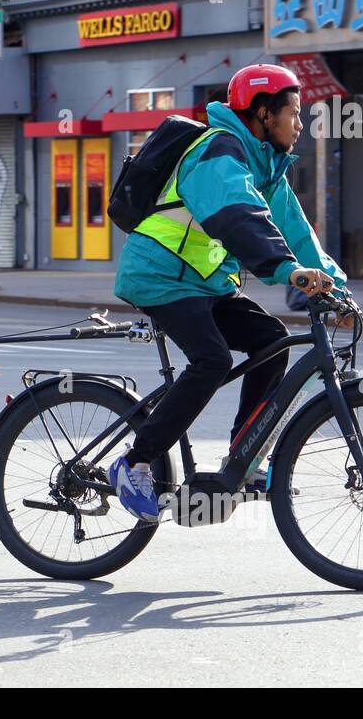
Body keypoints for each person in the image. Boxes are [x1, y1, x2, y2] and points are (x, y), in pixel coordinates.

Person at [109, 63, 347, 521]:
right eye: (293, 113)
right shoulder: (219, 152)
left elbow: (296, 233)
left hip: (204, 284)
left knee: (273, 342)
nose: (300, 124)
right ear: (263, 112)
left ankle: (245, 460)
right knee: (213, 359)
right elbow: (238, 216)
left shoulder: (265, 165)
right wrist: (284, 271)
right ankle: (135, 463)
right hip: (159, 276)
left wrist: (335, 287)